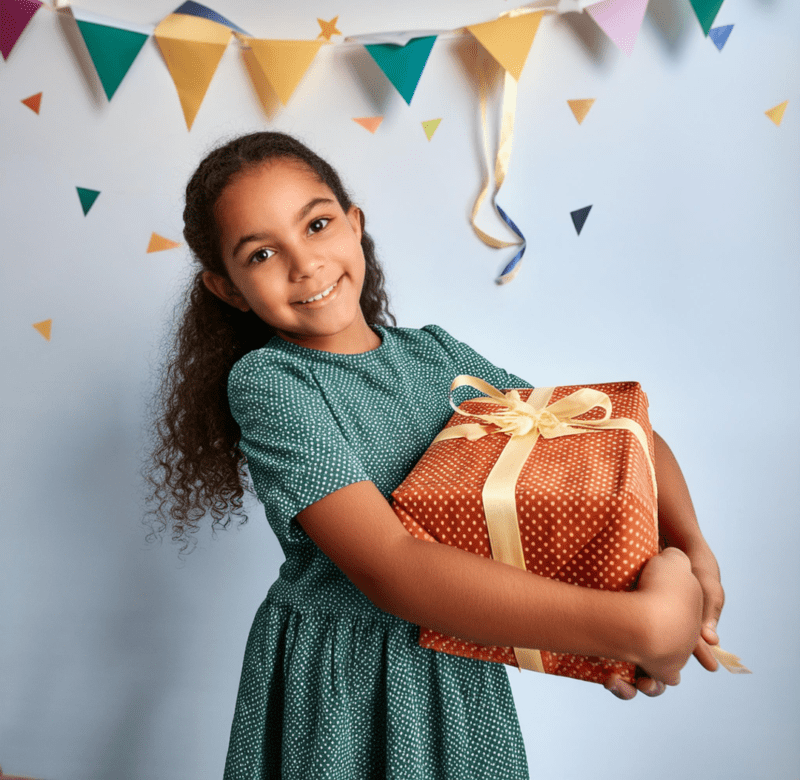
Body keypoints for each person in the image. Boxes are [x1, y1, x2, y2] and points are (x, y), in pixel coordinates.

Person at [145, 131, 725, 779]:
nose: (304, 263)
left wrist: (692, 549)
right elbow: (390, 567)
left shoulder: (438, 357)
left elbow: (610, 434)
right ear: (226, 288)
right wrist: (634, 626)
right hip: (348, 682)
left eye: (317, 224)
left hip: (463, 660)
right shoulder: (274, 381)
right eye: (260, 253)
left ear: (355, 224)